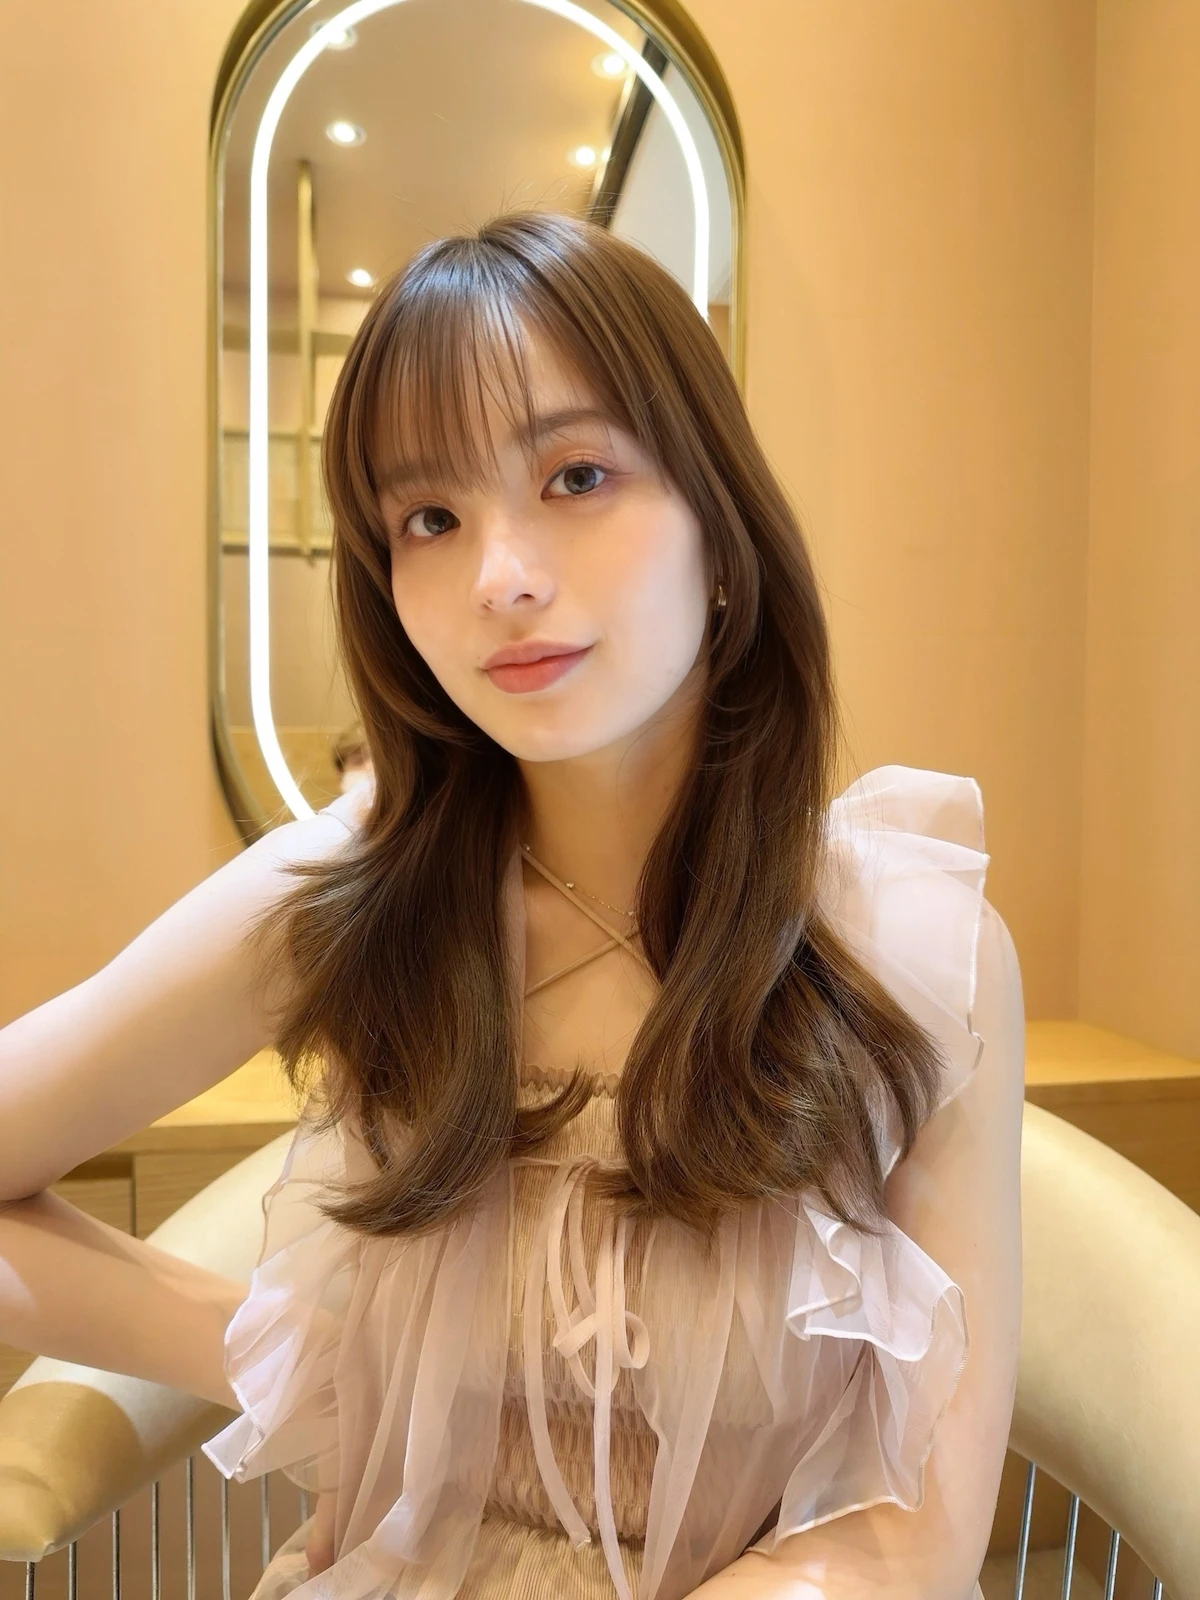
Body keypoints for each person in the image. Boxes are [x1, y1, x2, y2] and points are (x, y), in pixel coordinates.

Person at [0, 210, 1023, 1600]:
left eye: (576, 475)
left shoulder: (904, 947)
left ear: (720, 525)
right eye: (430, 517)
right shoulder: (360, 895)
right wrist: (303, 1351)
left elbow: (913, 1537)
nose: (501, 579)